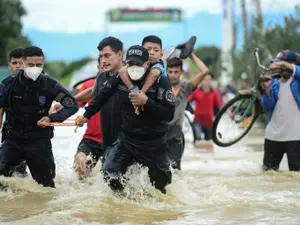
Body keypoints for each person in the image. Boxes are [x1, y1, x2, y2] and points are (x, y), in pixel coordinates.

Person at [75, 45, 175, 194]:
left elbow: (169, 114)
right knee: (109, 174)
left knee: (161, 188)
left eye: (138, 64)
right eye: (131, 64)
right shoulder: (121, 78)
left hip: (153, 143)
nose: (134, 67)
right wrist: (86, 116)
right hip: (127, 140)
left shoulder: (161, 81)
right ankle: (127, 202)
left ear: (147, 64)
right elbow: (100, 97)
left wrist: (146, 102)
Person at [0, 46, 78, 188]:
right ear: (23, 63)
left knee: (46, 188)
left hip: (39, 142)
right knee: (2, 180)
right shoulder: (7, 84)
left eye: (39, 65)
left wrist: (52, 118)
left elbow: (72, 105)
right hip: (13, 140)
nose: (35, 68)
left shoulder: (50, 84)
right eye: (31, 65)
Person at [166, 54, 209, 170]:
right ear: (166, 72)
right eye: (170, 72)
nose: (173, 75)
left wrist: (191, 55)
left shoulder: (186, 87)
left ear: (181, 72)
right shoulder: (161, 86)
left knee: (175, 170)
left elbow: (204, 71)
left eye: (176, 72)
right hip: (159, 136)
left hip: (176, 138)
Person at [261, 50, 300, 172]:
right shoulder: (275, 83)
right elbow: (267, 106)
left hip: (295, 137)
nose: (279, 68)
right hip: (273, 135)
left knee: (295, 177)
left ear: (292, 65)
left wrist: (286, 65)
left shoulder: (297, 81)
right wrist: (267, 90)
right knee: (268, 175)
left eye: (281, 65)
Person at [74, 55, 104, 180]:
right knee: (80, 163)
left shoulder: (123, 86)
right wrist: (53, 114)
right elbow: (73, 106)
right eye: (103, 65)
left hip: (114, 141)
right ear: (98, 67)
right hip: (91, 139)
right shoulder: (89, 85)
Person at [0, 48, 28, 177]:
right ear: (10, 66)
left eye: (21, 63)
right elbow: (0, 110)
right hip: (10, 135)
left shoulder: (39, 82)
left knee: (21, 172)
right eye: (15, 63)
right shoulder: (4, 85)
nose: (18, 66)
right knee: (4, 171)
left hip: (33, 136)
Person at [188, 72, 222, 151]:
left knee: (209, 146)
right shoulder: (197, 92)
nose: (207, 82)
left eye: (209, 80)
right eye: (205, 80)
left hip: (209, 123)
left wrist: (229, 113)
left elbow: (220, 106)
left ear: (212, 81)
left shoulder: (215, 93)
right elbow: (187, 100)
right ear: (202, 81)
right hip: (197, 122)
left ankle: (208, 161)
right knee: (198, 142)